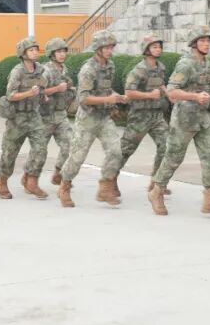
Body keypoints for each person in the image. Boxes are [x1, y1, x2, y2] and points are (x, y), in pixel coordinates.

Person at [146, 26, 210, 216]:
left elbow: (208, 90)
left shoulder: (207, 64)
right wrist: (194, 97)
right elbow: (172, 91)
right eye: (202, 41)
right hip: (184, 118)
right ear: (194, 44)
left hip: (203, 118)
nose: (206, 44)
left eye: (209, 41)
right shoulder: (186, 64)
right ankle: (157, 191)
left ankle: (209, 200)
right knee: (174, 157)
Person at [57, 30, 127, 208]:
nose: (110, 50)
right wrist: (108, 99)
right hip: (87, 119)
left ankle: (105, 187)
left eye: (111, 47)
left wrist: (116, 97)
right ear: (98, 48)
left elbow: (106, 90)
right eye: (106, 47)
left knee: (116, 152)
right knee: (77, 157)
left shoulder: (110, 66)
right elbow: (83, 98)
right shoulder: (88, 70)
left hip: (104, 118)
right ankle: (64, 185)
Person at [0, 37, 49, 200]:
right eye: (31, 50)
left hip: (33, 115)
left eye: (36, 49)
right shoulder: (17, 71)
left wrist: (41, 95)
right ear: (23, 53)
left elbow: (42, 87)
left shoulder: (40, 69)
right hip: (17, 117)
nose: (35, 52)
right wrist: (28, 93)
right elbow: (10, 95)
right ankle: (1, 182)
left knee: (41, 148)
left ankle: (31, 180)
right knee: (10, 153)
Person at [118, 34, 169, 192]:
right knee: (125, 151)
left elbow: (161, 86)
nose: (158, 49)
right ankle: (109, 180)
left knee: (167, 147)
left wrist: (170, 95)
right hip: (140, 116)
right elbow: (129, 92)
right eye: (154, 47)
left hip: (157, 116)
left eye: (159, 46)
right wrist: (149, 95)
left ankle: (156, 182)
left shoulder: (160, 67)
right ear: (146, 50)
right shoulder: (138, 70)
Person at [39, 38, 74, 186]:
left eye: (63, 51)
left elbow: (67, 87)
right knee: (39, 151)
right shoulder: (45, 71)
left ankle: (59, 173)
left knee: (70, 145)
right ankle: (29, 178)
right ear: (51, 54)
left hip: (60, 115)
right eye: (58, 52)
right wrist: (56, 89)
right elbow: (38, 92)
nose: (62, 54)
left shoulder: (64, 69)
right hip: (45, 116)